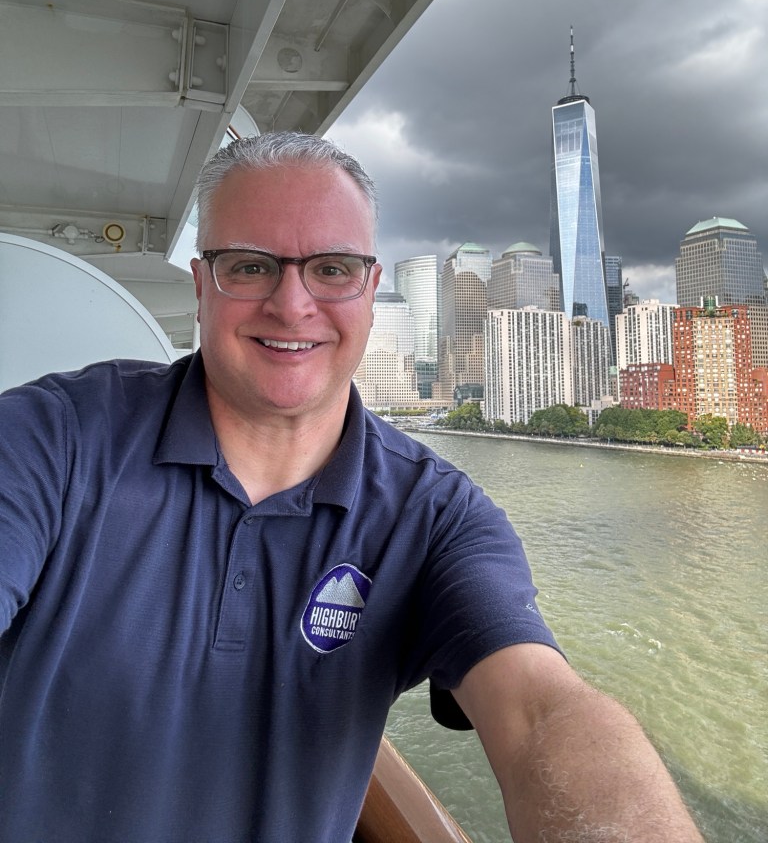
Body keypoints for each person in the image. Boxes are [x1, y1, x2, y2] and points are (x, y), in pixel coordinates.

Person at [0, 132, 703, 843]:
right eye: (249, 266)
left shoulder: (435, 516)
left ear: (369, 289)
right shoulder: (50, 439)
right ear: (201, 285)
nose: (291, 305)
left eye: (332, 269)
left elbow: (539, 712)